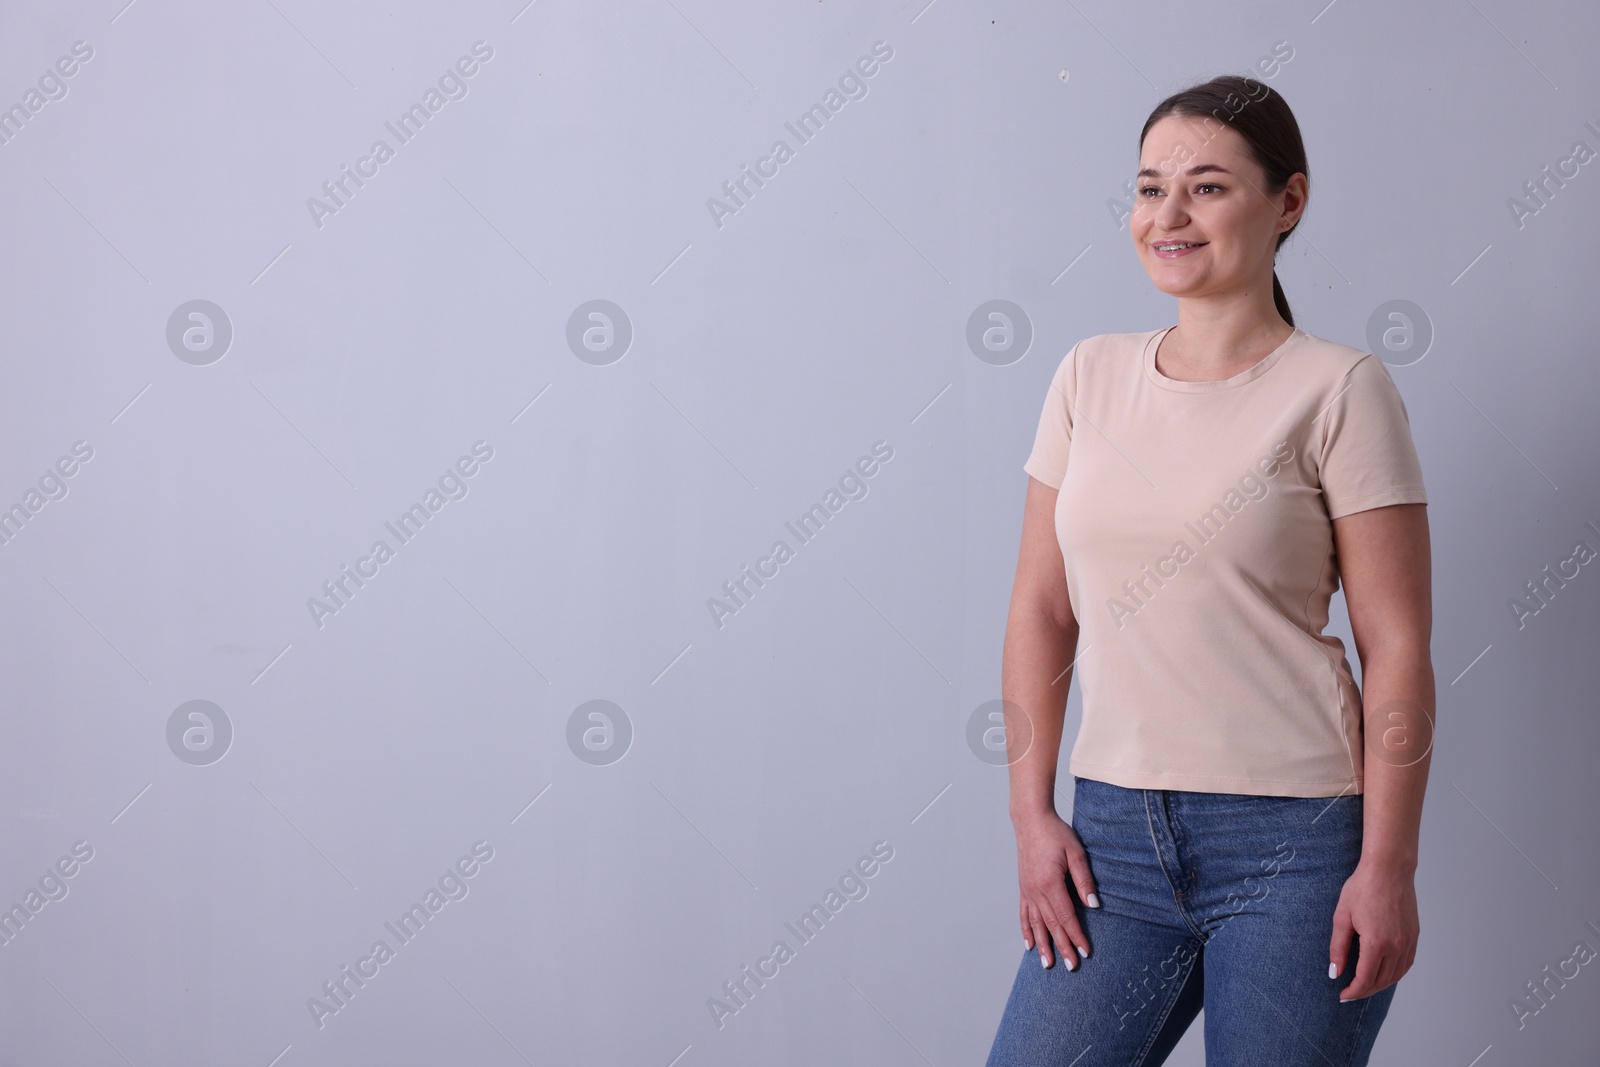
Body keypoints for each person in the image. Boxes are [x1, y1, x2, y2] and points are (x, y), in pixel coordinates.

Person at [985, 74, 1433, 1066]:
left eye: (1207, 187)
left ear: (1288, 202)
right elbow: (1041, 605)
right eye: (1149, 189)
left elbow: (1395, 644)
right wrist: (1029, 813)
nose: (1168, 216)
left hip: (1297, 845)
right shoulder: (1086, 374)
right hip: (1110, 839)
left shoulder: (1340, 389)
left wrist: (1387, 863)